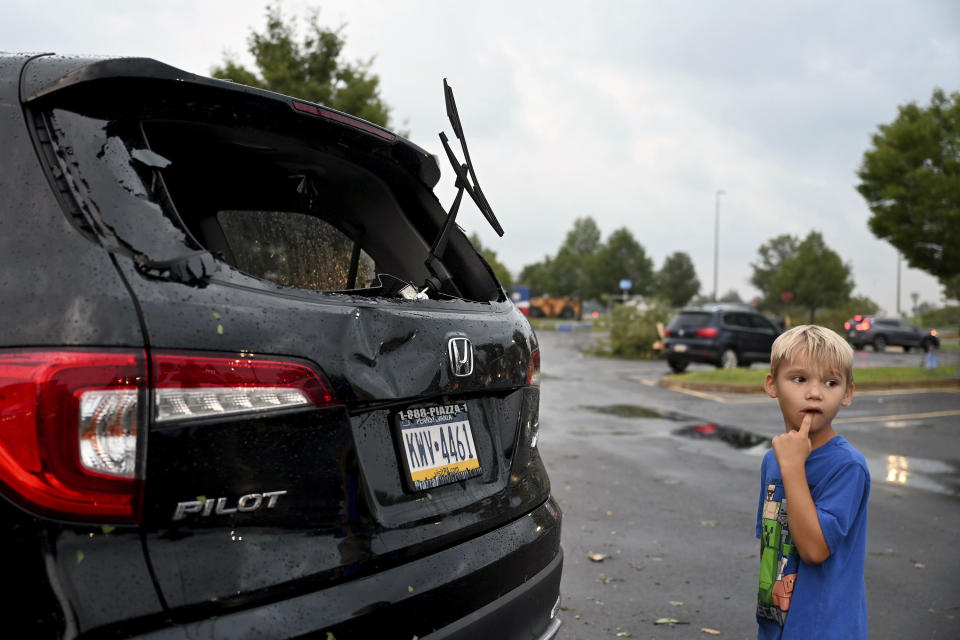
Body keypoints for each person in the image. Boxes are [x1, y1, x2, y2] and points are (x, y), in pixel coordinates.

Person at [755, 325, 870, 638]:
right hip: (777, 623)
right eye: (799, 379)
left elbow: (814, 550)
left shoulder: (847, 466)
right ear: (772, 384)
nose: (815, 392)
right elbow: (771, 543)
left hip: (825, 627)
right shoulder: (773, 459)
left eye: (831, 382)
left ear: (847, 392)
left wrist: (793, 468)